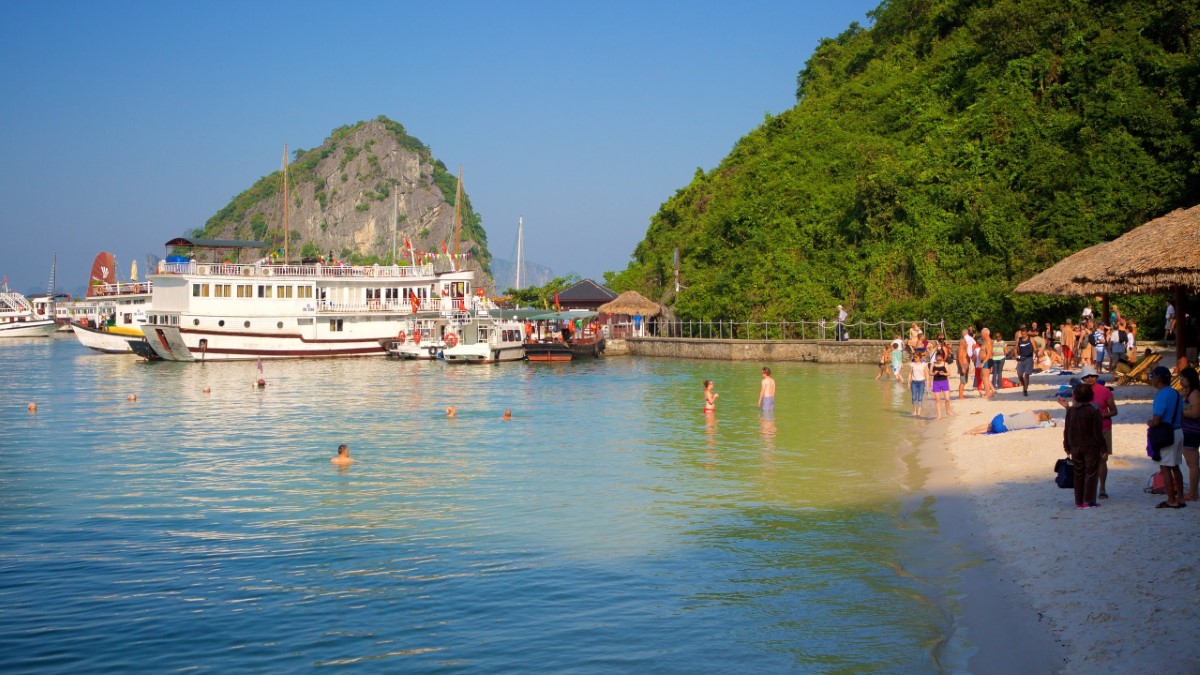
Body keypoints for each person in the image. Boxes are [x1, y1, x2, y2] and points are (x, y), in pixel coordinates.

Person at [1148, 366, 1185, 508]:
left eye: (1153, 377)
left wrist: (1150, 423)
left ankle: (1171, 500)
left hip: (1167, 434)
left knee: (1165, 467)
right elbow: (1181, 416)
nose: (1151, 379)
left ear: (1158, 378)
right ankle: (1180, 497)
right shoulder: (1176, 393)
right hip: (1178, 431)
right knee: (1175, 466)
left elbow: (1157, 420)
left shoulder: (1161, 395)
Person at [1063, 383, 1105, 509]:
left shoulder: (1071, 411)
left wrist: (1067, 446)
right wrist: (1104, 448)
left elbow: (1067, 430)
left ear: (1075, 396)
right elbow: (1098, 433)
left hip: (1075, 446)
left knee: (1078, 473)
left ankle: (1079, 502)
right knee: (1091, 473)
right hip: (1091, 446)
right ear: (1091, 396)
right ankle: (1089, 500)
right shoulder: (1094, 411)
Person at [1079, 365, 1117, 499]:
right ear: (1083, 378)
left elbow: (1114, 410)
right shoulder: (1079, 392)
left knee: (1102, 459)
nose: (1090, 378)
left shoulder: (1105, 391)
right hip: (1086, 429)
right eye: (1087, 376)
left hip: (1103, 428)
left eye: (1092, 376)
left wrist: (1101, 415)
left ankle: (1102, 488)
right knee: (1086, 460)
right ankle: (1089, 487)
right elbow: (1075, 411)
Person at [1179, 367, 1200, 502]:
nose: (1180, 380)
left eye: (1183, 378)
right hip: (1187, 430)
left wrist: (1179, 412)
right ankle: (1193, 492)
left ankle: (1193, 493)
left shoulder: (1194, 394)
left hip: (1192, 431)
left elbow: (1195, 413)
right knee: (1191, 463)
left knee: (1192, 464)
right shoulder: (1187, 393)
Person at [968, 410, 1055, 434]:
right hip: (1002, 428)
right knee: (990, 429)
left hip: (1002, 420)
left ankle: (973, 430)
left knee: (989, 425)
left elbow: (1025, 412)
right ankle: (976, 432)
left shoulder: (1030, 412)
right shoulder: (1036, 424)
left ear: (1040, 413)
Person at [929, 350, 953, 419]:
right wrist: (934, 373)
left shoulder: (945, 364)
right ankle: (939, 415)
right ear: (935, 359)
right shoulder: (933, 364)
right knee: (937, 400)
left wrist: (943, 373)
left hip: (944, 382)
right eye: (937, 359)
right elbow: (930, 373)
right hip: (936, 382)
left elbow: (949, 373)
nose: (939, 361)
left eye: (940, 359)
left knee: (947, 399)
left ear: (942, 358)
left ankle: (948, 411)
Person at [1014, 328, 1034, 396]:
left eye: (1024, 333)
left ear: (1027, 333)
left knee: (1026, 375)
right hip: (1021, 358)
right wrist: (1016, 355)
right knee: (1019, 374)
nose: (1023, 335)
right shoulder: (1018, 339)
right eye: (1022, 333)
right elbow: (1015, 348)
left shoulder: (1031, 339)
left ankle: (1025, 390)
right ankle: (1024, 385)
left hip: (1029, 358)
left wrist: (1037, 353)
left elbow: (1035, 348)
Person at [907, 352, 928, 417]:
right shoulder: (912, 364)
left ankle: (918, 413)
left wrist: (928, 382)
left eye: (916, 357)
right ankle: (915, 411)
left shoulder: (924, 364)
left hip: (921, 382)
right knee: (913, 397)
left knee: (920, 397)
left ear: (920, 357)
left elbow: (926, 373)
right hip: (914, 382)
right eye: (914, 357)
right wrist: (908, 382)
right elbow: (910, 373)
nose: (915, 358)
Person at [957, 327, 975, 400]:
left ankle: (961, 395)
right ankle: (961, 396)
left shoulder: (964, 348)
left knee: (964, 381)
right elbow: (960, 359)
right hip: (963, 365)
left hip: (965, 365)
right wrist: (962, 367)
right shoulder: (961, 348)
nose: (967, 343)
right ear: (963, 343)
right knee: (963, 381)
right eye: (966, 342)